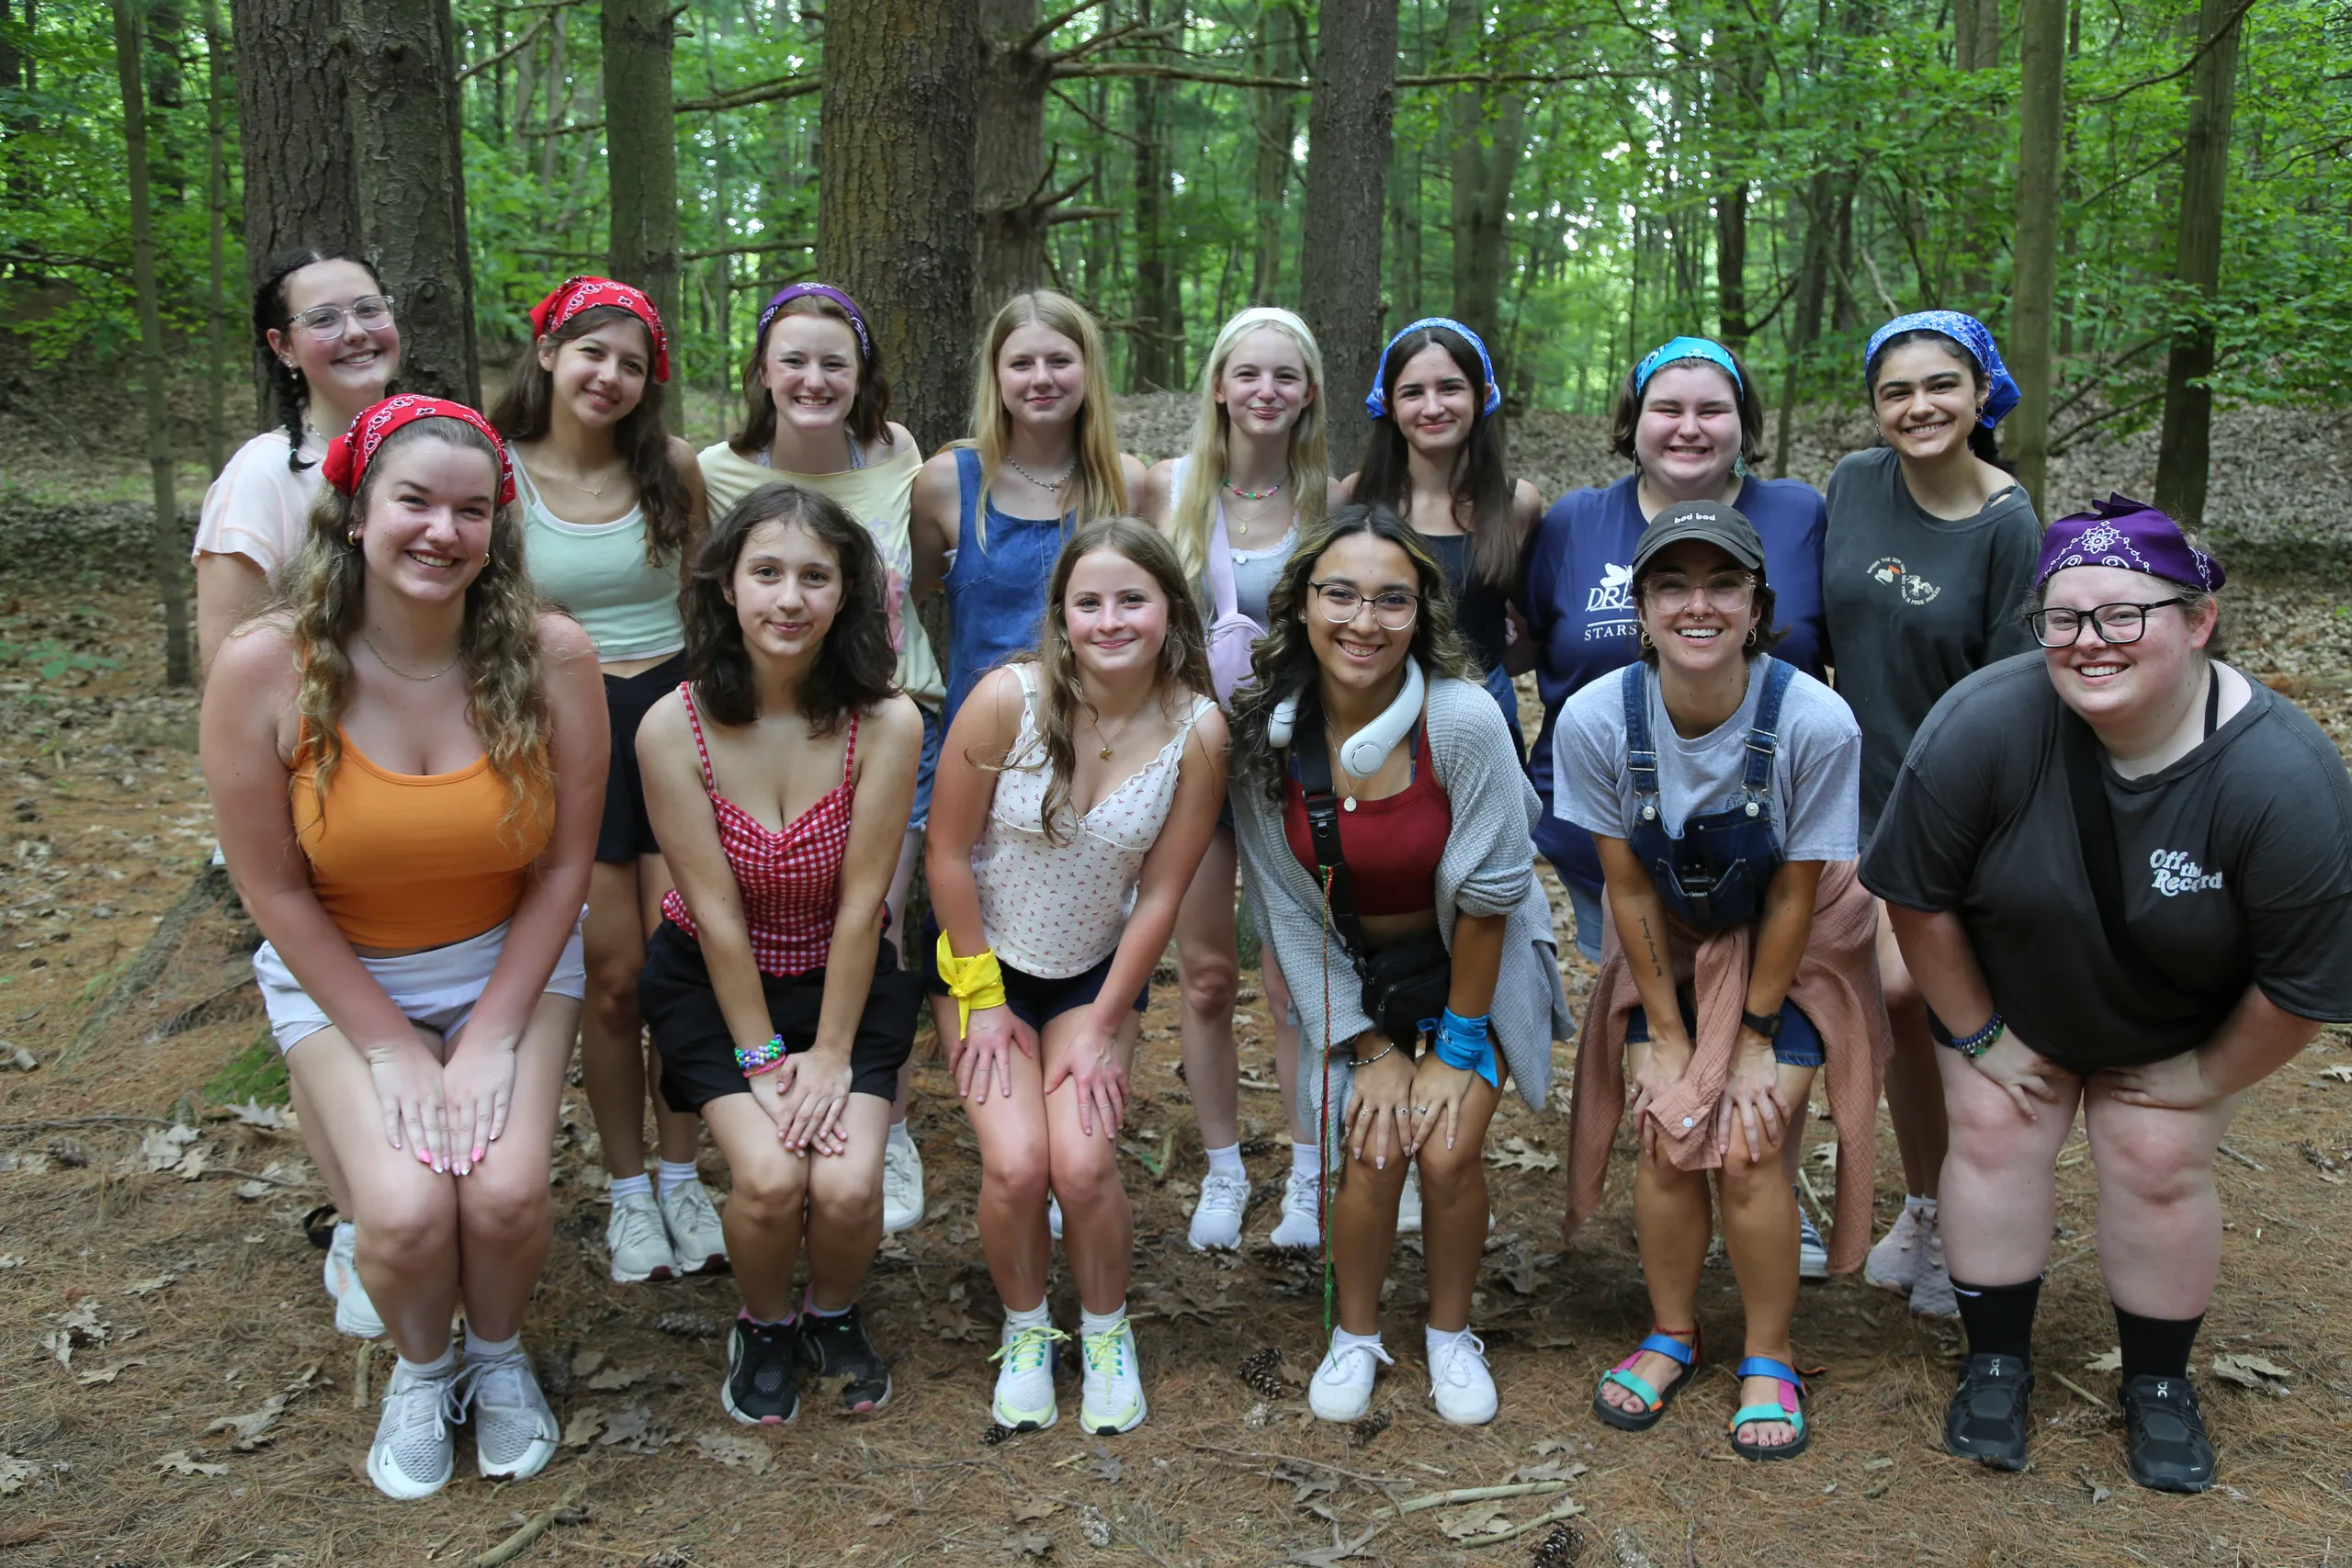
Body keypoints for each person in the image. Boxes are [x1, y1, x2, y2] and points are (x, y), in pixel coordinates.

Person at [1862, 497, 2352, 1495]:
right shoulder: (1983, 722)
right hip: (2012, 994)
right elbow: (1917, 898)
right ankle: (1995, 1358)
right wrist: (1981, 1035)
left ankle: (2159, 1383)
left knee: (2155, 1153)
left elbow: (2305, 986)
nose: (2090, 642)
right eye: (2064, 617)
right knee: (1994, 1130)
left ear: (2198, 620)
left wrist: (2197, 1080)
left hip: (2177, 1023)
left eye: (2123, 615)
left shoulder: (2282, 776)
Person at [201, 396, 603, 1498]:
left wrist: (487, 1037)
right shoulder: (266, 667)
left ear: (498, 530)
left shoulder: (551, 657)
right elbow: (272, 885)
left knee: (509, 1196)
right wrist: (388, 1046)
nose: (442, 531)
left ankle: (497, 1355)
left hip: (508, 960)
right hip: (341, 973)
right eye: (414, 501)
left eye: (471, 511)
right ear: (356, 512)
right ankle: (423, 1370)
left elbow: (565, 870)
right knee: (410, 1209)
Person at [1554, 501, 1886, 1461]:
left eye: (1722, 585)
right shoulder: (1595, 718)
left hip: (1799, 937)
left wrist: (1748, 1035)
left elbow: (1795, 894)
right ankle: (1671, 1332)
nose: (1696, 605)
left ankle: (1768, 1353)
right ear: (1643, 607)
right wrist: (1663, 1032)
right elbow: (1623, 882)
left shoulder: (1814, 721)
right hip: (1670, 934)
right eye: (1671, 585)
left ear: (1755, 605)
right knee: (1665, 1130)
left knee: (1747, 1140)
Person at [1229, 504, 1570, 1428]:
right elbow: (1288, 914)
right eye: (1339, 594)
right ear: (1299, 604)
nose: (1363, 621)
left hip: (1472, 968)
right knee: (1372, 1147)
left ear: (1420, 615)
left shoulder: (1461, 722)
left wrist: (1454, 1047)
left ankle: (1452, 1335)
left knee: (1449, 1146)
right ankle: (1356, 1334)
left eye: (1391, 600)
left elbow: (1495, 894)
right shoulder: (1266, 739)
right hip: (1353, 980)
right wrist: (1369, 1048)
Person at [1520, 333, 1836, 1275]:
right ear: (1632, 421)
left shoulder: (1802, 515)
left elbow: (1835, 659)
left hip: (1769, 840)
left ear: (1745, 424)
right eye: (1667, 406)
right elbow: (1524, 649)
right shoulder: (1575, 524)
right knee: (1666, 1025)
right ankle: (1679, 1197)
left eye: (1712, 408)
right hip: (1609, 844)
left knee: (1759, 1027)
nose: (1688, 426)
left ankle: (1765, 1185)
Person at [924, 518, 1226, 1437]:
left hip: (1094, 976)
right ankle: (1024, 1331)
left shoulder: (1199, 730)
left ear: (1168, 608)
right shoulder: (1006, 700)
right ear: (1060, 613)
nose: (1109, 620)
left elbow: (1162, 894)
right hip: (984, 965)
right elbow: (942, 853)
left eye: (1130, 599)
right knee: (1018, 1166)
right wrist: (978, 1000)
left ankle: (1104, 1330)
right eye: (1087, 601)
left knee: (1086, 1165)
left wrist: (1101, 1022)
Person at [636, 482, 924, 1425]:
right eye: (766, 573)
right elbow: (714, 913)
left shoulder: (886, 723)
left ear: (848, 595)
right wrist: (762, 1063)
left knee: (843, 1188)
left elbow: (862, 906)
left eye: (814, 576)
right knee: (766, 1182)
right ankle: (761, 1324)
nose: (788, 599)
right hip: (715, 985)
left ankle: (830, 1313)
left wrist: (832, 1055)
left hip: (843, 983)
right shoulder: (671, 725)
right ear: (726, 586)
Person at [492, 276, 721, 1287]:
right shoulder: (495, 468)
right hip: (562, 732)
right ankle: (627, 1190)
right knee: (612, 975)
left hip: (674, 722)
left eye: (632, 363)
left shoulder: (670, 467)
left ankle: (684, 1173)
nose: (611, 376)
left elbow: (709, 605)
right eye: (592, 353)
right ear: (547, 351)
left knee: (691, 957)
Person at [697, 282, 940, 1237]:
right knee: (763, 915)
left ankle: (886, 1113)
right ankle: (769, 1097)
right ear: (761, 371)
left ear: (861, 375)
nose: (813, 378)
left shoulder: (900, 456)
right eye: (792, 359)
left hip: (893, 717)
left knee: (876, 917)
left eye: (834, 361)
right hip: (764, 728)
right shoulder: (715, 471)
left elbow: (916, 579)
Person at [911, 290, 1147, 1244]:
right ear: (996, 378)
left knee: (1077, 935)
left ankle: (1062, 1145)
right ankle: (992, 1143)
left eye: (1061, 360)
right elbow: (919, 589)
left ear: (1087, 372)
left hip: (1093, 756)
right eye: (1023, 363)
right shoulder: (945, 484)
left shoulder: (1126, 484)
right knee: (957, 920)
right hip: (978, 756)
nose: (1042, 379)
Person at [1826, 310, 2041, 1318]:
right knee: (1896, 1018)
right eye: (1896, 391)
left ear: (1980, 393)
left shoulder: (2007, 521)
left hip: (1957, 807)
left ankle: (1974, 1213)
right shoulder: (1853, 485)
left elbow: (2010, 697)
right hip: (1849, 797)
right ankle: (1925, 1203)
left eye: (1939, 385)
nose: (1918, 407)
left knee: (1938, 1009)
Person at [1134, 305, 1337, 1251]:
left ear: (1306, 395)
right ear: (1217, 384)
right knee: (1209, 977)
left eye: (1284, 377)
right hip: (1193, 767)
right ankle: (1222, 1167)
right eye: (1247, 374)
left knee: (1295, 981)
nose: (1264, 391)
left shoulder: (1327, 503)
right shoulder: (1164, 493)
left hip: (1297, 765)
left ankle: (1307, 1173)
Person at [1341, 318, 1544, 756]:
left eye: (1450, 388)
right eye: (1413, 392)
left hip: (1486, 710)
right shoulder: (1356, 497)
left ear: (1482, 396)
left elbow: (1527, 617)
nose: (1432, 407)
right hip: (1374, 715)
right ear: (1389, 405)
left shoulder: (1517, 505)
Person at [198, 247, 401, 671]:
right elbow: (228, 674)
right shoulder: (261, 477)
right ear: (284, 346)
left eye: (369, 309)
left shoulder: (441, 451)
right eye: (324, 319)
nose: (356, 332)